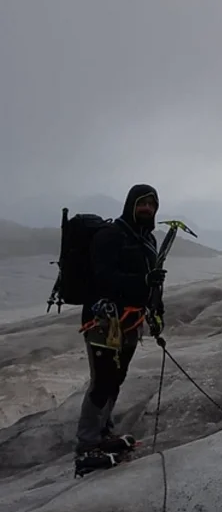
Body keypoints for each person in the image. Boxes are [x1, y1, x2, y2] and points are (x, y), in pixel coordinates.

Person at [74, 184, 167, 475]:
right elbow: (103, 277)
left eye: (152, 205)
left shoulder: (147, 239)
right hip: (103, 320)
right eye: (142, 203)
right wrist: (143, 281)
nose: (147, 209)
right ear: (131, 204)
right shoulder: (110, 236)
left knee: (116, 379)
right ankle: (86, 447)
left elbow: (153, 284)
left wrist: (157, 310)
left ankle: (103, 433)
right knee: (102, 382)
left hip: (131, 322)